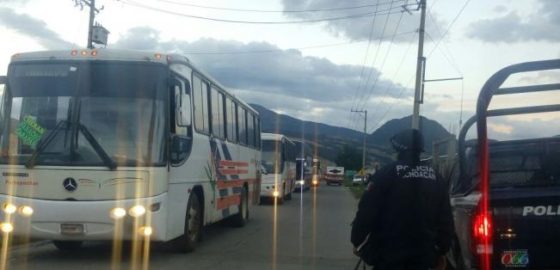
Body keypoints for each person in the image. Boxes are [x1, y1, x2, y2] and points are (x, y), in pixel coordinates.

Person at [351, 129, 454, 270]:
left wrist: (358, 241)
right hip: (424, 258)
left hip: (387, 257)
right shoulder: (436, 178)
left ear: (398, 149)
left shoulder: (385, 174)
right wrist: (442, 250)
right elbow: (446, 219)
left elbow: (366, 212)